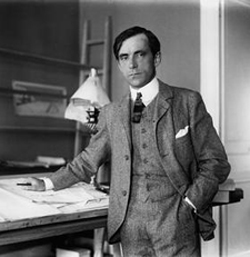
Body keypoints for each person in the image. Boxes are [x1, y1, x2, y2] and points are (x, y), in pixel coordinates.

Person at [25, 26, 230, 256]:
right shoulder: (111, 114)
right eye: (124, 57)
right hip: (130, 225)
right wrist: (48, 183)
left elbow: (216, 162)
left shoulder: (187, 102)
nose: (132, 64)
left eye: (140, 54)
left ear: (157, 57)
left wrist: (190, 204)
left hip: (177, 222)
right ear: (120, 64)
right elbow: (87, 161)